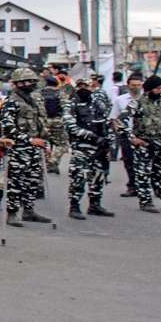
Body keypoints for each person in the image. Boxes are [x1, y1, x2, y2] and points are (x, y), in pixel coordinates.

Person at [122, 74, 161, 212]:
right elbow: (120, 121)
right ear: (150, 89)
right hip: (144, 144)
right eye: (158, 88)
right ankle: (146, 202)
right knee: (143, 174)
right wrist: (132, 138)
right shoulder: (137, 102)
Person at [0, 67, 53, 227]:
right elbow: (8, 128)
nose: (29, 84)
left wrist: (44, 142)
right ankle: (12, 213)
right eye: (25, 82)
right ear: (17, 84)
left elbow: (39, 123)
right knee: (16, 182)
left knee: (32, 181)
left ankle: (29, 210)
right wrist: (29, 140)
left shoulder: (33, 101)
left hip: (35, 148)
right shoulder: (11, 102)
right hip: (18, 148)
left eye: (31, 81)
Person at [62, 79, 116, 220]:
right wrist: (91, 136)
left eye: (87, 86)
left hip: (100, 147)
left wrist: (108, 141)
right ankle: (74, 206)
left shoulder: (98, 103)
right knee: (79, 177)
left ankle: (95, 205)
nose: (84, 88)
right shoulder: (71, 104)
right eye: (81, 86)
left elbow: (107, 122)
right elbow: (70, 126)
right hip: (82, 147)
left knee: (98, 176)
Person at [114, 72, 144, 197]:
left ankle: (151, 187)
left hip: (144, 135)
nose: (136, 87)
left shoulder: (145, 100)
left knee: (146, 163)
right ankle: (132, 186)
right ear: (128, 85)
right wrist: (121, 134)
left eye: (138, 85)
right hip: (126, 135)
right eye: (133, 85)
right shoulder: (120, 100)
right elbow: (115, 119)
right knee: (129, 162)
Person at [42, 76, 68, 174]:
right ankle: (53, 160)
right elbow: (66, 107)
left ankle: (47, 162)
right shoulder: (60, 94)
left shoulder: (40, 94)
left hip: (43, 121)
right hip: (57, 121)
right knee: (62, 144)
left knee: (43, 143)